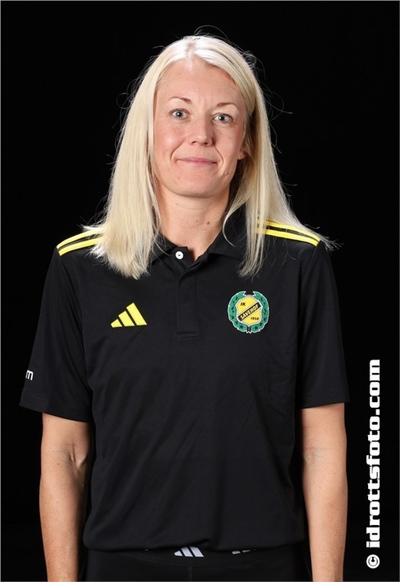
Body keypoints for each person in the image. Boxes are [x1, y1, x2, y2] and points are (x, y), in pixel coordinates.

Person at [20, 33, 349, 582]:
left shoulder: (299, 264)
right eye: (179, 112)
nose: (201, 134)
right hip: (120, 568)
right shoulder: (79, 268)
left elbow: (322, 447)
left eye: (224, 117)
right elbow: (65, 453)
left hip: (264, 567)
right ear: (147, 131)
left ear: (246, 142)